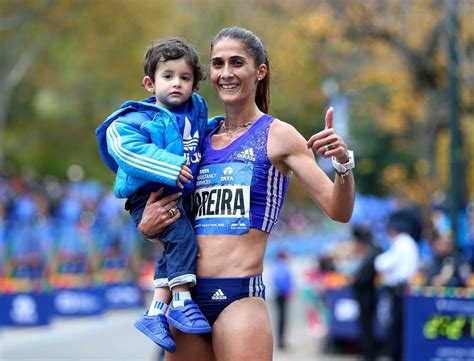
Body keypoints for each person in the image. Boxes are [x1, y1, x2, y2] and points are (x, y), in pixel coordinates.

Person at [138, 27, 355, 361]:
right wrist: (148, 226)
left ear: (260, 71)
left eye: (237, 63)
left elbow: (339, 210)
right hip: (186, 300)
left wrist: (343, 164)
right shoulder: (198, 135)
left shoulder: (279, 136)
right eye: (218, 64)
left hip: (239, 301)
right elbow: (173, 211)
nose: (226, 73)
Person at [96, 38, 214, 353]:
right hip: (147, 196)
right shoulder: (137, 118)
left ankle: (155, 313)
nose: (177, 83)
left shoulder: (195, 110)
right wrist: (171, 167)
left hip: (176, 193)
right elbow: (124, 148)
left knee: (175, 247)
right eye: (168, 76)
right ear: (150, 83)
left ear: (194, 84)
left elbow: (200, 137)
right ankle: (181, 302)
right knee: (183, 239)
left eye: (185, 78)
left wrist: (223, 130)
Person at [374, 211, 420, 361]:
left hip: (398, 292)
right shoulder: (408, 243)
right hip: (404, 291)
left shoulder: (402, 243)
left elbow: (382, 263)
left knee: (396, 328)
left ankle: (396, 355)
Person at [351, 225, 382, 361]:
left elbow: (363, 278)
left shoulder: (372, 256)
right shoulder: (369, 256)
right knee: (365, 326)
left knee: (367, 326)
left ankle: (369, 354)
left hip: (367, 296)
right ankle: (367, 352)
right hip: (365, 296)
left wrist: (355, 280)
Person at [272, 250, 294, 350]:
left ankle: (281, 340)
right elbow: (280, 281)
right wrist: (286, 291)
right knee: (282, 318)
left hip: (279, 294)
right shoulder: (282, 267)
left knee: (281, 318)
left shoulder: (277, 266)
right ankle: (281, 341)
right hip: (281, 295)